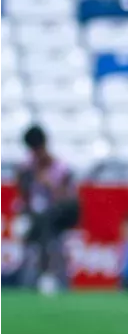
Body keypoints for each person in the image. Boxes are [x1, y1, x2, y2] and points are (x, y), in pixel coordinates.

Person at [13, 125, 80, 295]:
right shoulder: (26, 168)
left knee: (47, 229)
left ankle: (49, 276)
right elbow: (24, 197)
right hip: (35, 216)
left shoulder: (61, 168)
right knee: (30, 227)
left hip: (57, 215)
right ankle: (36, 279)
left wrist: (50, 185)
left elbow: (69, 200)